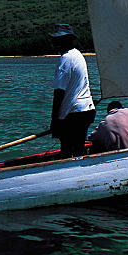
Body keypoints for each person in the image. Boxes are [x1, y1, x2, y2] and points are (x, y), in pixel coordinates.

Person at [48, 24, 96, 158]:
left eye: (59, 40)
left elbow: (59, 92)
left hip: (74, 113)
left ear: (68, 40)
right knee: (78, 149)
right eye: (55, 40)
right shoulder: (77, 54)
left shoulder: (66, 59)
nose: (56, 43)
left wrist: (55, 120)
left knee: (67, 151)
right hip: (86, 110)